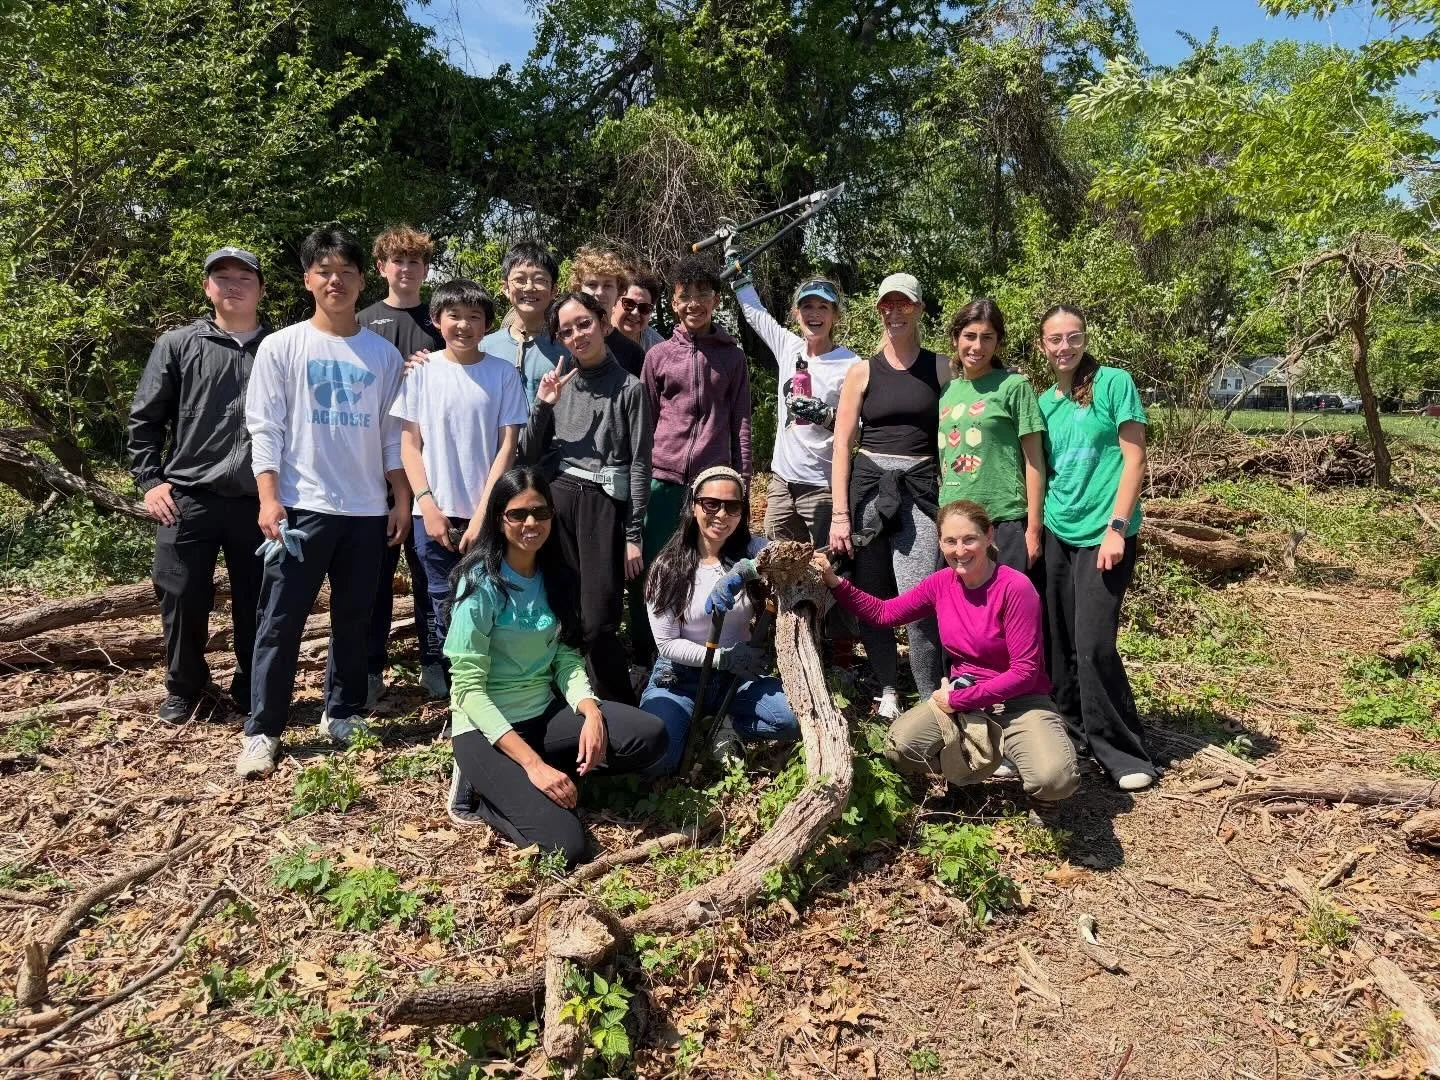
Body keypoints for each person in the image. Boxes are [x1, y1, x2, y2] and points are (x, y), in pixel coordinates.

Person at [238, 227, 410, 780]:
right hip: (299, 506)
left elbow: (391, 435)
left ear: (363, 280)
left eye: (346, 271)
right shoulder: (283, 345)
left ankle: (341, 711)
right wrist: (269, 497)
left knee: (355, 620)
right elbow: (263, 427)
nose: (335, 280)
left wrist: (400, 497)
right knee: (279, 621)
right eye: (324, 271)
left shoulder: (382, 354)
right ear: (308, 279)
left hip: (364, 510)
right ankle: (263, 730)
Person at [445, 467, 667, 867]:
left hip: (543, 714)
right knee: (567, 844)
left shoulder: (557, 576)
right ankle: (482, 793)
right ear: (499, 518)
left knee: (648, 736)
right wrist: (533, 766)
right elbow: (467, 689)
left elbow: (565, 655)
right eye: (518, 514)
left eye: (541, 512)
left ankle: (537, 777)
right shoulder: (480, 585)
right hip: (484, 728)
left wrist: (590, 709)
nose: (531, 523)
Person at [813, 501, 1079, 802]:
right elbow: (884, 613)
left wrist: (958, 698)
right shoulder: (942, 583)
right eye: (950, 541)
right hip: (963, 700)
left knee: (1054, 779)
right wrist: (835, 582)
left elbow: (1025, 673)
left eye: (969, 539)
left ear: (989, 536)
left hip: (1017, 701)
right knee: (900, 746)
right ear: (940, 542)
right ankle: (968, 771)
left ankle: (1039, 785)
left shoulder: (1015, 587)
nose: (960, 550)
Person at [127, 247, 270, 725]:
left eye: (243, 278)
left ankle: (253, 687)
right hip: (188, 496)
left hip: (259, 500)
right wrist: (150, 480)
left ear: (261, 289)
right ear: (207, 287)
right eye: (221, 277)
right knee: (181, 593)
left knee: (259, 599)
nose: (232, 285)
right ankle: (185, 688)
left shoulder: (282, 346)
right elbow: (145, 418)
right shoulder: (178, 344)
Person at [1037, 304, 1157, 792]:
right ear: (1042, 345)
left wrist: (1117, 526)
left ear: (1085, 338)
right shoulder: (1045, 401)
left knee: (1093, 645)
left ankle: (1122, 750)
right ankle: (1072, 734)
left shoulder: (1113, 383)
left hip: (1105, 535)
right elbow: (1042, 470)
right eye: (1054, 339)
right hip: (1056, 530)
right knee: (1059, 642)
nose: (1064, 347)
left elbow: (1134, 458)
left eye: (1073, 337)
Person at [392, 279, 528, 684]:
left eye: (474, 317)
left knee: (489, 596)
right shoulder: (421, 371)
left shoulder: (503, 373)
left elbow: (507, 448)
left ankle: (492, 680)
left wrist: (483, 514)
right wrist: (428, 506)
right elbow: (409, 446)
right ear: (436, 320)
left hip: (486, 512)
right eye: (454, 316)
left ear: (487, 324)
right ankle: (455, 682)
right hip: (431, 511)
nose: (464, 325)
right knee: (440, 598)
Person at [521, 292, 651, 705]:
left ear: (603, 324)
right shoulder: (562, 384)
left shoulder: (631, 388)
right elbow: (527, 455)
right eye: (567, 330)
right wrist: (544, 404)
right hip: (557, 504)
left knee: (598, 621)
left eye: (584, 323)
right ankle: (570, 703)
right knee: (564, 615)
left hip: (601, 506)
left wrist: (633, 534)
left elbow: (640, 465)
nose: (577, 334)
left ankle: (620, 710)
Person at [829, 272, 948, 719]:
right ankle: (887, 689)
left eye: (904, 304)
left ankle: (926, 698)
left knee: (918, 601)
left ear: (918, 309)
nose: (894, 312)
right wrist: (841, 514)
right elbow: (842, 444)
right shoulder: (862, 371)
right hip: (869, 489)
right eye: (887, 304)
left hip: (920, 489)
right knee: (873, 596)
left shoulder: (940, 368)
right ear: (879, 308)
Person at [640, 466, 800, 775]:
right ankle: (689, 726)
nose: (721, 514)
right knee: (657, 759)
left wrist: (745, 570)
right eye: (711, 504)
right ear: (693, 505)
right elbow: (667, 643)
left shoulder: (751, 549)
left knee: (791, 720)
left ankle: (723, 724)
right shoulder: (668, 567)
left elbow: (794, 557)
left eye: (732, 506)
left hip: (738, 676)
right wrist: (722, 658)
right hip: (681, 679)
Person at [359, 225, 446, 703]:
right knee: (374, 579)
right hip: (370, 472)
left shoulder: (441, 324)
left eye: (416, 261)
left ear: (426, 269)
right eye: (398, 261)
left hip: (429, 471)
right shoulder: (361, 321)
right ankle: (370, 668)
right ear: (381, 268)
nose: (407, 269)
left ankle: (432, 662)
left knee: (429, 577)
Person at [732, 271, 859, 546]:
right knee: (777, 566)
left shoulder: (851, 364)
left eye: (823, 307)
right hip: (781, 485)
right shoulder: (789, 347)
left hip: (823, 488)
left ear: (835, 315)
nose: (815, 314)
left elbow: (861, 430)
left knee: (826, 566)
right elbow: (756, 315)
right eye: (807, 306)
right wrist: (737, 273)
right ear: (796, 313)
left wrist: (827, 417)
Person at [642, 254, 753, 561]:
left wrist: (743, 482)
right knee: (655, 563)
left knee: (703, 564)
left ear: (716, 300)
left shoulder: (733, 358)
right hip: (662, 481)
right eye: (685, 296)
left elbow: (740, 423)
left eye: (702, 294)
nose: (694, 303)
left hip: (711, 483)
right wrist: (642, 478)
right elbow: (645, 423)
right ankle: (646, 613)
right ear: (674, 303)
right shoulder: (657, 356)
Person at [937, 299, 1045, 574]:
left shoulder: (1014, 386)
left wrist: (1033, 530)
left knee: (1003, 614)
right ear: (954, 338)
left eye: (987, 338)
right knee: (957, 615)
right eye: (969, 336)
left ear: (998, 342)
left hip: (1002, 522)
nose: (977, 346)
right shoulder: (947, 390)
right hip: (955, 525)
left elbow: (1035, 462)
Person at [482, 242, 567, 404]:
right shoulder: (484, 347)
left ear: (554, 290)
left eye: (540, 280)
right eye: (519, 279)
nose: (529, 287)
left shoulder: (566, 347)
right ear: (505, 288)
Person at [569, 244, 646, 379]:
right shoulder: (565, 343)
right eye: (592, 284)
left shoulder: (633, 353)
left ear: (619, 292)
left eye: (608, 285)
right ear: (578, 288)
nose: (599, 292)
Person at [612, 266, 664, 354]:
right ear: (614, 301)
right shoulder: (594, 336)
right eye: (629, 303)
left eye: (644, 308)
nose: (635, 313)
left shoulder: (657, 348)